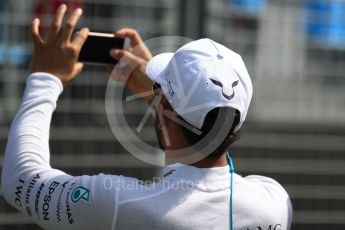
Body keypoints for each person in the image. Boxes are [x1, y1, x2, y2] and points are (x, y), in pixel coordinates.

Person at [1, 4, 292, 230]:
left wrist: (45, 77)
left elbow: (21, 180)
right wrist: (167, 98)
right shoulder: (274, 202)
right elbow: (208, 125)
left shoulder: (120, 204)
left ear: (164, 113)